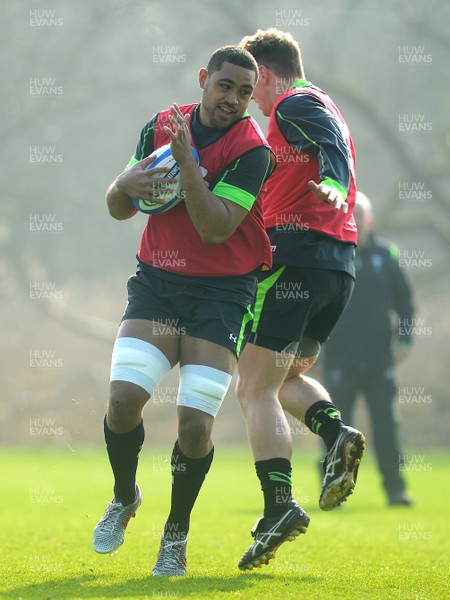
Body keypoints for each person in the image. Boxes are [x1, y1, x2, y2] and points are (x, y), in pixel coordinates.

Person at [92, 45, 277, 577]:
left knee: (195, 427)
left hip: (223, 293)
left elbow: (215, 227)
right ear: (204, 80)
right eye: (225, 86)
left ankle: (175, 533)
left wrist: (188, 162)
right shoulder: (162, 124)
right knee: (124, 400)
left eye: (246, 92)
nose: (235, 100)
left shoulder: (253, 150)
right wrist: (121, 184)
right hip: (158, 283)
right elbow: (120, 204)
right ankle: (125, 498)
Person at [235, 28, 366, 571]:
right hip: (336, 268)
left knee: (252, 387)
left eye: (250, 87)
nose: (249, 98)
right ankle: (336, 433)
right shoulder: (321, 101)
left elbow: (329, 147)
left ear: (265, 74)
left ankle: (279, 507)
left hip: (295, 261)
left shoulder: (293, 102)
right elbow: (329, 141)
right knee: (284, 379)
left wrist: (336, 182)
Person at [322, 191, 415, 506]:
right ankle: (334, 488)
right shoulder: (333, 253)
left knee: (386, 427)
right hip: (339, 359)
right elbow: (317, 306)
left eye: (362, 214)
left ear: (370, 219)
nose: (357, 219)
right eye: (352, 213)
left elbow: (406, 305)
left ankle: (396, 489)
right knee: (336, 429)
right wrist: (316, 353)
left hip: (379, 361)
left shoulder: (386, 256)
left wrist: (404, 341)